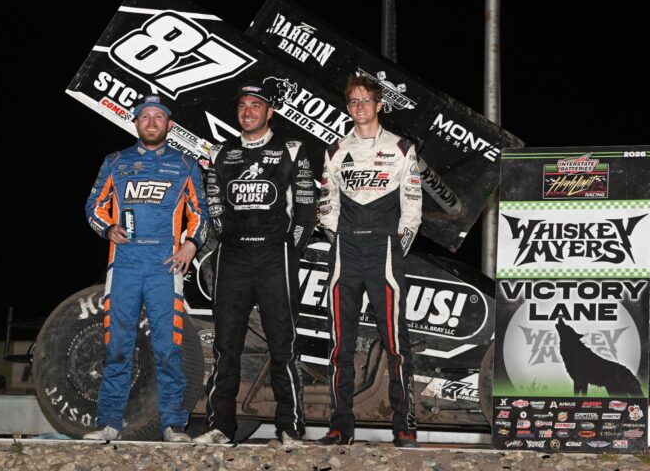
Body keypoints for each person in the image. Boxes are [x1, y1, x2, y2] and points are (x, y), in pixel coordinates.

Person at [194, 83, 316, 446]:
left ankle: (290, 429)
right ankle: (219, 427)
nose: (248, 111)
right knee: (225, 346)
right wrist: (228, 237)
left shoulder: (291, 150)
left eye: (256, 105)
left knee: (283, 345)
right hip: (232, 257)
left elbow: (307, 210)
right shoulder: (220, 153)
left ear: (269, 112)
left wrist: (288, 251)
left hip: (274, 257)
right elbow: (214, 206)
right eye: (243, 106)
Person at [83, 95, 207, 442]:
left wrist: (190, 244)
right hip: (123, 264)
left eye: (158, 117)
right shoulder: (116, 161)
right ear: (135, 123)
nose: (151, 122)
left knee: (169, 348)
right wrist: (107, 228)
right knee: (118, 346)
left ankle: (172, 425)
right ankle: (109, 424)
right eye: (145, 116)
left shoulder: (185, 164)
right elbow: (93, 205)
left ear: (169, 125)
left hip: (165, 267)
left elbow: (202, 214)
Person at [316, 74, 422, 448]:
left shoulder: (402, 148)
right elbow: (326, 206)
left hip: (384, 252)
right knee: (340, 343)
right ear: (348, 108)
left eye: (366, 100)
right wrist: (339, 239)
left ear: (380, 105)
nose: (360, 106)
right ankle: (340, 425)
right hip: (346, 252)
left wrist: (395, 245)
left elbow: (412, 209)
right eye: (353, 101)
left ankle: (404, 424)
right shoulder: (334, 150)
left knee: (396, 342)